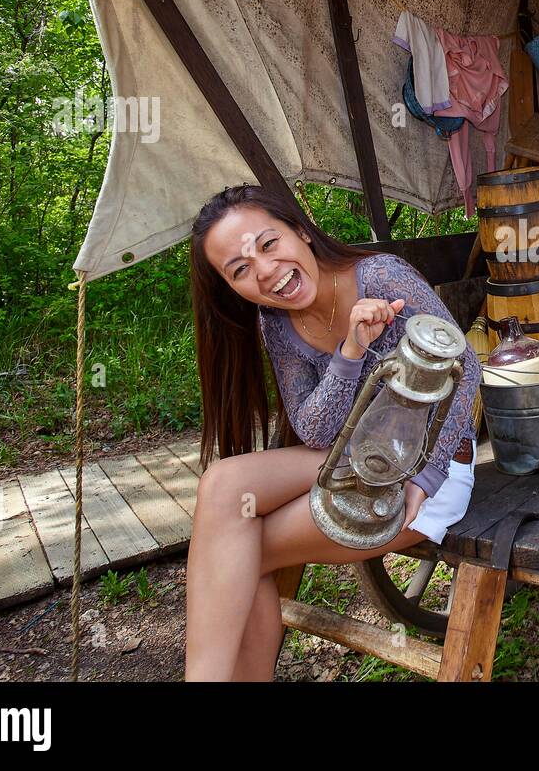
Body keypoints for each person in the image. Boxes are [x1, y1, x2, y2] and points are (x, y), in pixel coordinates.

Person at [184, 184, 479, 681]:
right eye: (238, 269)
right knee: (222, 484)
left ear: (300, 232)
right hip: (351, 456)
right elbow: (315, 429)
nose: (263, 269)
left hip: (430, 468)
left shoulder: (381, 277)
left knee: (240, 555)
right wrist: (350, 351)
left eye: (268, 243)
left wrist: (424, 477)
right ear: (232, 286)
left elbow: (466, 371)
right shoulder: (275, 321)